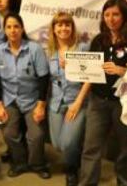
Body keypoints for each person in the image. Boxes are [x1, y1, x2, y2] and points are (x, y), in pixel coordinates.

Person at [79, 0, 127, 186]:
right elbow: (89, 70)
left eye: (115, 14)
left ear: (124, 16)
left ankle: (124, 183)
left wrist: (123, 71)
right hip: (97, 101)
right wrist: (73, 65)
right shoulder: (99, 40)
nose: (110, 19)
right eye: (106, 14)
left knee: (124, 149)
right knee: (91, 148)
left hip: (123, 101)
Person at [0, 13, 51, 179]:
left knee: (36, 135)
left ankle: (37, 164)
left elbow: (44, 78)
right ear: (4, 30)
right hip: (9, 100)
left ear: (22, 29)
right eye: (8, 27)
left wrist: (41, 105)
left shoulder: (34, 49)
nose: (12, 30)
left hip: (32, 100)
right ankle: (20, 162)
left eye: (16, 26)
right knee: (9, 133)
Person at [46, 12, 90, 186]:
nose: (63, 28)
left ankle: (72, 169)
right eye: (59, 25)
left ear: (72, 28)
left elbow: (90, 77)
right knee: (57, 144)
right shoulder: (50, 51)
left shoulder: (82, 48)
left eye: (67, 25)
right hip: (56, 103)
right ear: (54, 29)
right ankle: (74, 155)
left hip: (76, 102)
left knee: (68, 142)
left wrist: (79, 102)